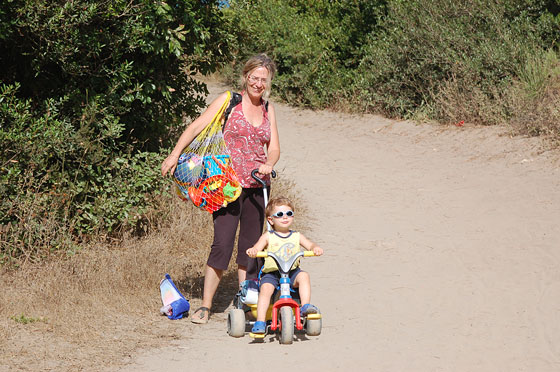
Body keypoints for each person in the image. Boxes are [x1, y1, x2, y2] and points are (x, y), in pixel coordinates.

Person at [160, 54, 280, 324]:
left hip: (258, 185)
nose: (258, 83)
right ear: (246, 76)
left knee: (251, 247)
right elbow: (195, 127)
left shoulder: (268, 109)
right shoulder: (229, 101)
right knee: (222, 244)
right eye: (254, 77)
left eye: (263, 79)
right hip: (225, 185)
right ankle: (206, 305)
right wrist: (173, 155)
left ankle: (246, 301)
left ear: (268, 82)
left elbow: (273, 146)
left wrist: (269, 162)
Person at [246, 197, 324, 334]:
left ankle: (305, 306)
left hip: (292, 271)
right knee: (265, 289)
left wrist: (315, 248)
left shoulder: (296, 236)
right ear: (271, 220)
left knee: (304, 276)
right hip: (272, 273)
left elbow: (309, 244)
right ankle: (260, 321)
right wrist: (254, 251)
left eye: (289, 214)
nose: (285, 217)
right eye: (280, 214)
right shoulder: (268, 236)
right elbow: (257, 247)